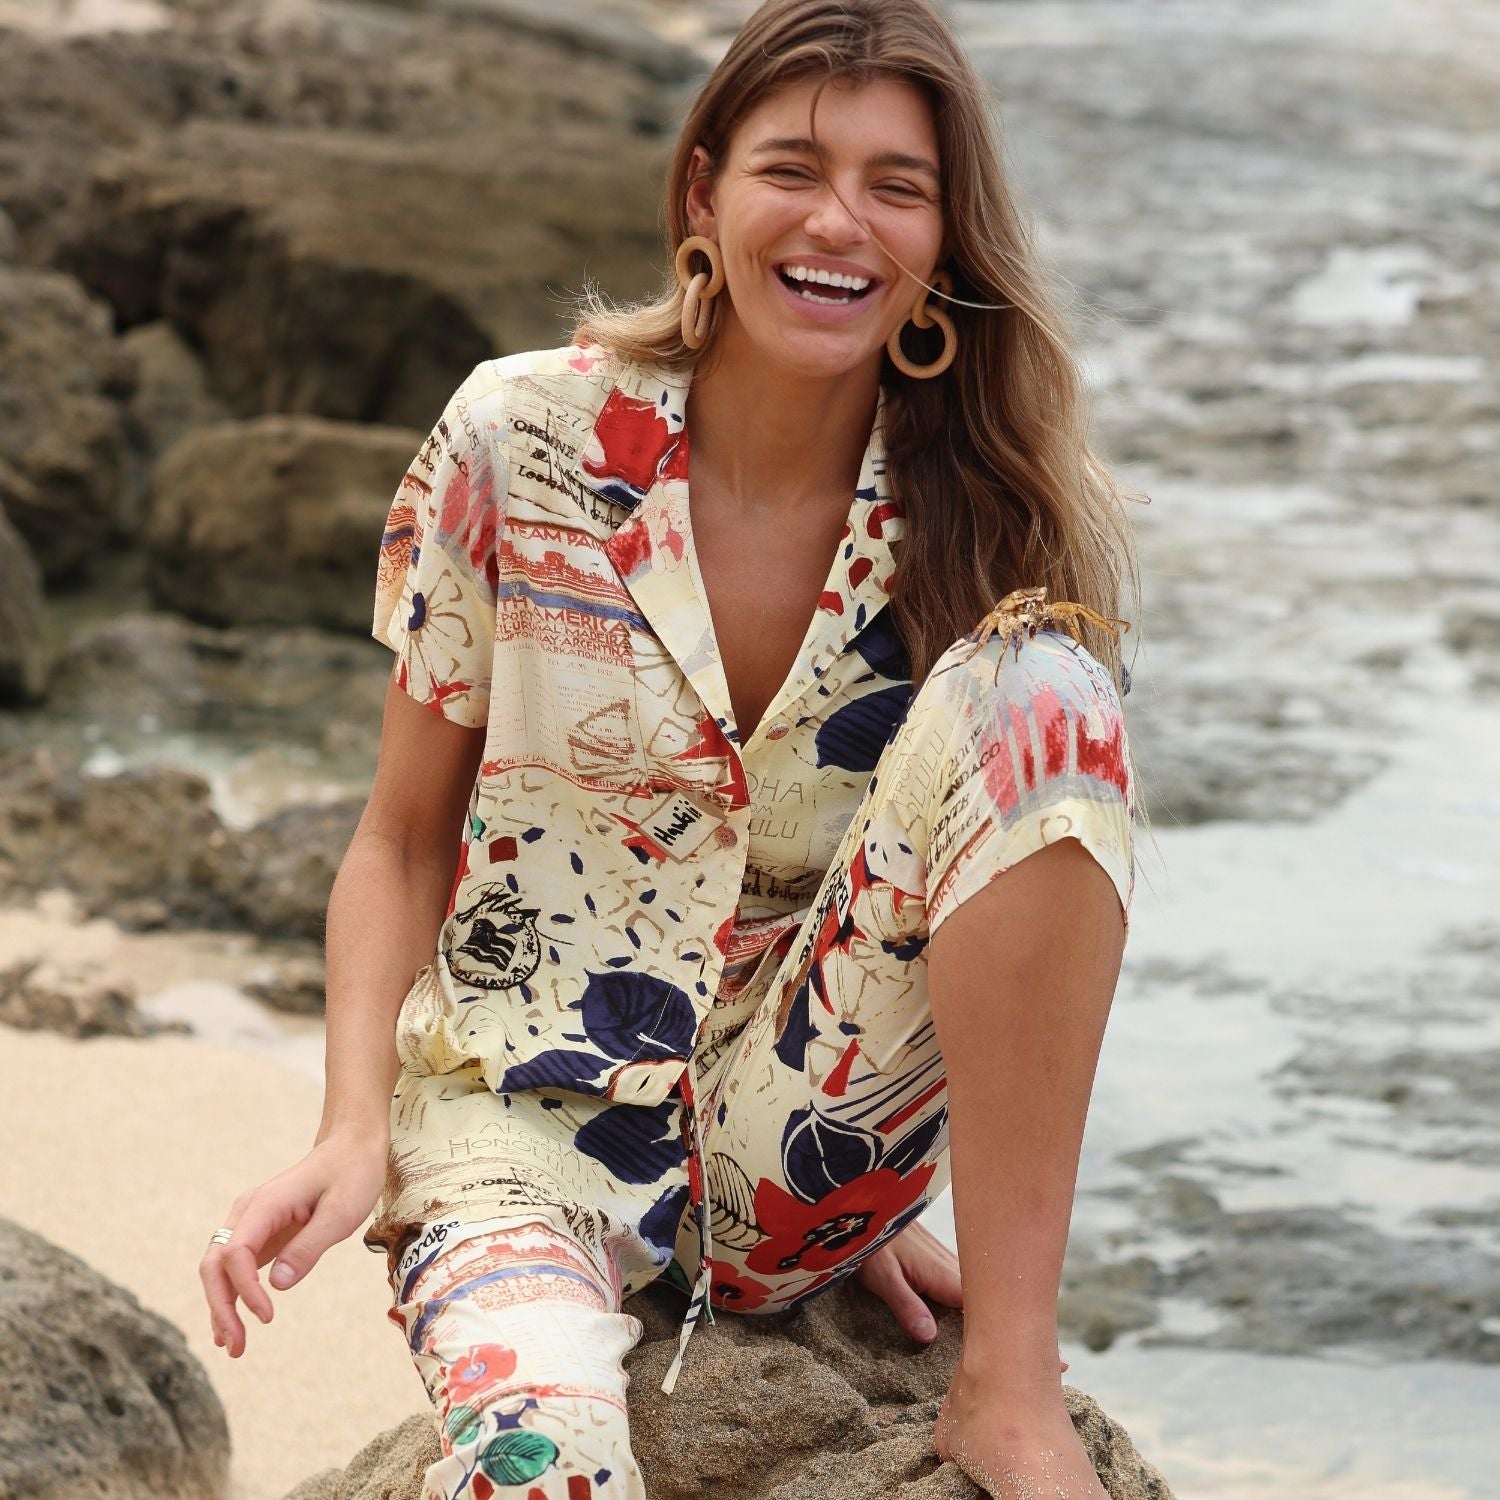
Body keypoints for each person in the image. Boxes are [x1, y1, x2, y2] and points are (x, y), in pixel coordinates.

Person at [199, 1, 1147, 1495]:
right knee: (545, 1468)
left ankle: (1008, 1393)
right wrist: (346, 1128)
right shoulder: (518, 437)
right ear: (703, 194)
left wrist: (869, 1164)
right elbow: (399, 837)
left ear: (944, 242)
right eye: (794, 168)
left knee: (1050, 691)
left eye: (896, 186)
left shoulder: (983, 508)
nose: (839, 221)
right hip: (515, 1125)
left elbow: (975, 882)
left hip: (791, 1158)